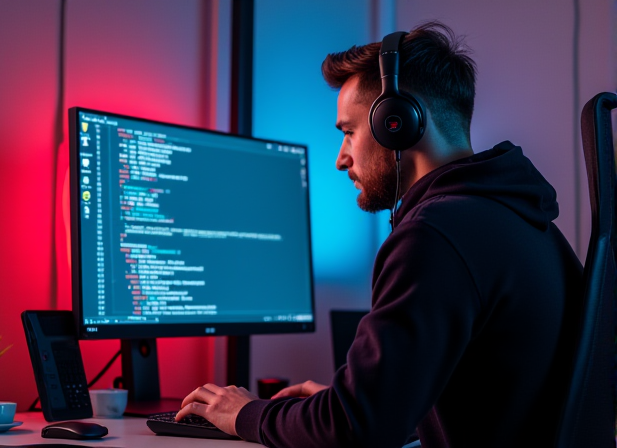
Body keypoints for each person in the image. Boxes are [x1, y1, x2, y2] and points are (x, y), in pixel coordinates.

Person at [175, 21, 583, 448]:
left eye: (349, 131)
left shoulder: (436, 235)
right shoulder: (520, 220)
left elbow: (355, 430)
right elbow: (499, 403)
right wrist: (365, 404)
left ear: (397, 122)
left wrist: (246, 413)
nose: (341, 158)